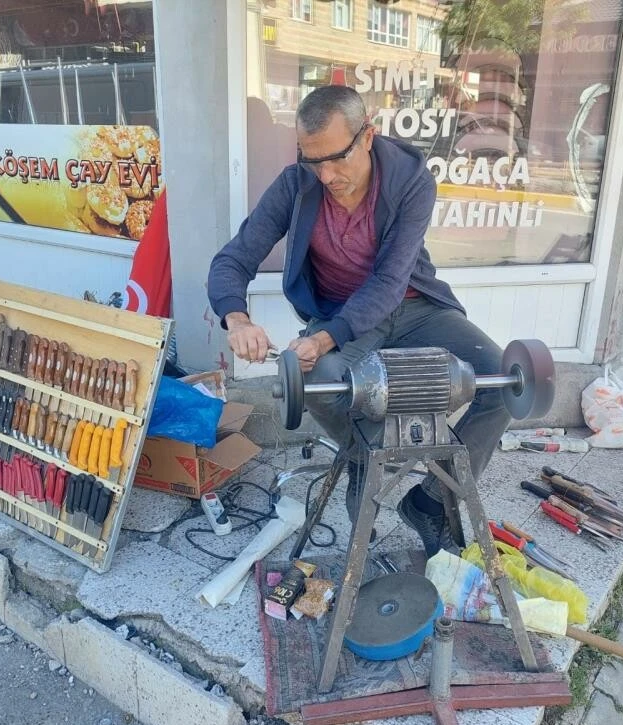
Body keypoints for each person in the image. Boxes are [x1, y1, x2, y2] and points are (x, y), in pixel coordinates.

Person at [207, 85, 511, 558]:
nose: (325, 175)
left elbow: (390, 283)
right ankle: (363, 466)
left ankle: (431, 499)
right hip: (340, 315)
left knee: (502, 378)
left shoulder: (411, 181)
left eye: (336, 159)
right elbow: (233, 259)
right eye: (312, 161)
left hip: (414, 307)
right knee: (318, 384)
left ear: (367, 136)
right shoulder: (296, 184)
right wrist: (237, 318)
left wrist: (326, 338)